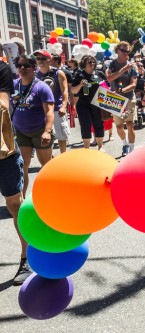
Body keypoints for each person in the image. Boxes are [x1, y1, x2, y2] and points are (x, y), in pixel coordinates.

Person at [0, 58, 31, 285]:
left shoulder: (1, 69)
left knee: (14, 204)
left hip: (3, 151)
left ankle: (27, 257)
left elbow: (3, 105)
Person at [11, 55, 55, 197]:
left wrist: (47, 131)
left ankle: (51, 195)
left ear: (34, 68)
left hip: (39, 131)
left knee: (46, 167)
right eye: (19, 66)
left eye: (26, 66)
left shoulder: (41, 87)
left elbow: (49, 111)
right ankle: (21, 199)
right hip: (21, 132)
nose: (22, 68)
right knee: (22, 165)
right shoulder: (13, 85)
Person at [106, 41, 138, 156]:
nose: (125, 53)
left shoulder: (133, 65)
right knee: (119, 127)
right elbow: (109, 78)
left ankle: (132, 148)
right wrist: (123, 69)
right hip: (115, 99)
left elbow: (134, 84)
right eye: (123, 50)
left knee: (129, 124)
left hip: (129, 98)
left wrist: (123, 90)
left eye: (128, 51)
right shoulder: (111, 64)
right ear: (117, 50)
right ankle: (125, 144)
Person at [34, 50, 69, 153]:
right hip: (41, 109)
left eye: (43, 58)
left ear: (49, 60)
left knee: (61, 135)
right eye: (38, 58)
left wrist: (64, 106)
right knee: (45, 135)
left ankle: (63, 157)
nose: (40, 61)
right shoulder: (35, 74)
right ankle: (49, 158)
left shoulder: (58, 73)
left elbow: (65, 90)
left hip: (57, 108)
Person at [71, 55, 106, 150]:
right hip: (83, 104)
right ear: (84, 64)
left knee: (98, 124)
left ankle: (100, 146)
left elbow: (107, 88)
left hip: (97, 103)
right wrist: (81, 85)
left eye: (93, 62)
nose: (92, 64)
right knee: (85, 124)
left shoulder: (100, 74)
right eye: (89, 62)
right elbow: (73, 90)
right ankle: (86, 148)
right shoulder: (79, 75)